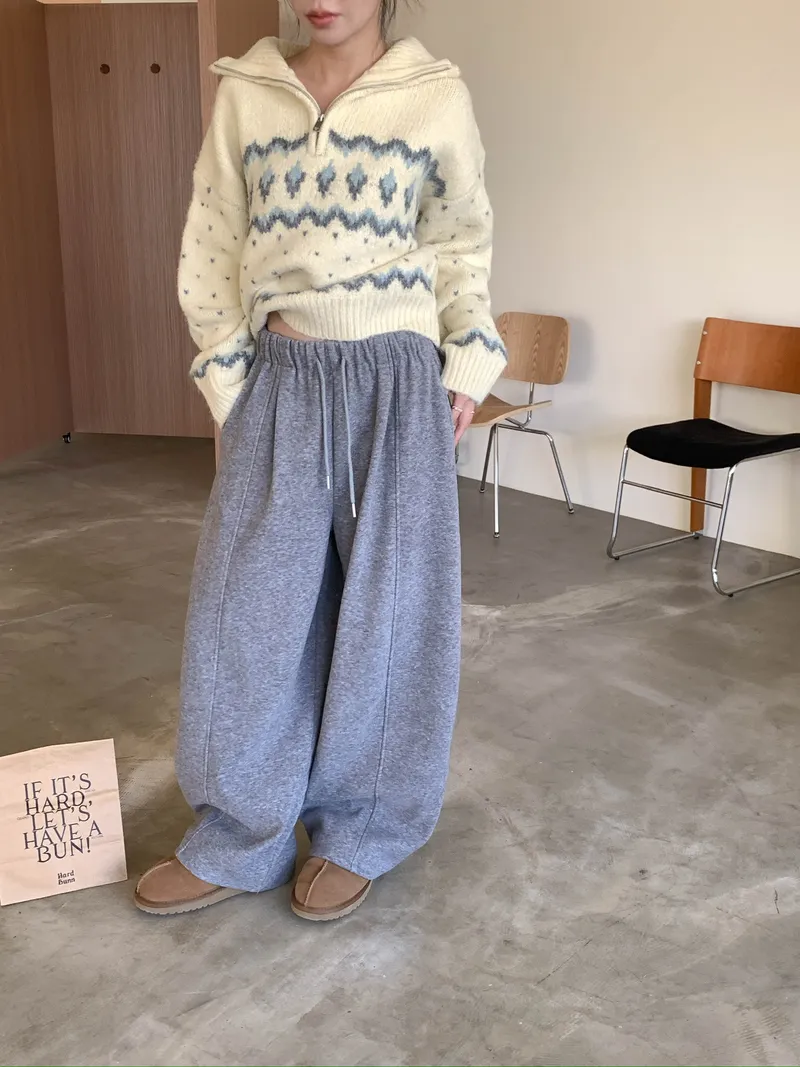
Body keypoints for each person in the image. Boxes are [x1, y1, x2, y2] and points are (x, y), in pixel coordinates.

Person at [134, 0, 506, 921]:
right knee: (247, 613)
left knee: (392, 615)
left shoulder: (434, 96)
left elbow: (461, 242)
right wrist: (231, 381)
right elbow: (212, 244)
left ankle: (363, 826)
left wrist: (467, 361)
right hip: (282, 376)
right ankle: (240, 832)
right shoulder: (247, 93)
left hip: (397, 380)